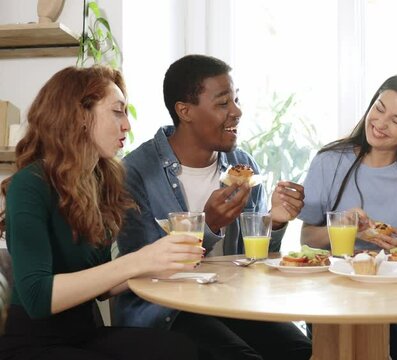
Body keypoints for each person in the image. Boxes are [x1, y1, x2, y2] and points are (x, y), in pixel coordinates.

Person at [113, 54, 311, 360]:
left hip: (232, 302)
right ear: (185, 111)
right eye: (223, 103)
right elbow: (144, 268)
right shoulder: (136, 172)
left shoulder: (242, 165)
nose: (237, 111)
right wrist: (209, 227)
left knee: (305, 352)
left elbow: (251, 257)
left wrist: (275, 221)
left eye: (236, 100)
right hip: (167, 312)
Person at [0, 66, 199, 359]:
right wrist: (136, 261)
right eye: (117, 112)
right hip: (32, 341)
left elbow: (102, 286)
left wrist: (158, 263)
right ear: (80, 116)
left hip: (83, 333)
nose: (127, 125)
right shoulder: (30, 185)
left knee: (181, 349)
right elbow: (37, 297)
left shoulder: (100, 184)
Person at [299, 72, 397, 358]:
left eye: (396, 121)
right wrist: (344, 229)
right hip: (335, 292)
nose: (380, 124)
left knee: (381, 333)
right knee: (340, 336)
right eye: (379, 109)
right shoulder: (329, 160)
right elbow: (308, 236)